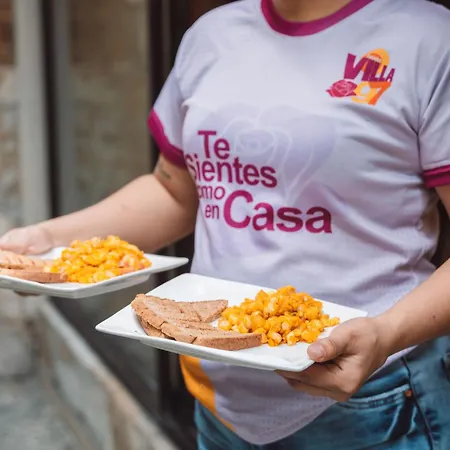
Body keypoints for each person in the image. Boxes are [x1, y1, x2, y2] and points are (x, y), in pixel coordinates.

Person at [2, 0, 450, 448]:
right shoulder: (211, 36)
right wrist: (48, 241)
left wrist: (386, 333)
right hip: (219, 401)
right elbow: (174, 193)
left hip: (374, 398)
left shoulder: (427, 39)